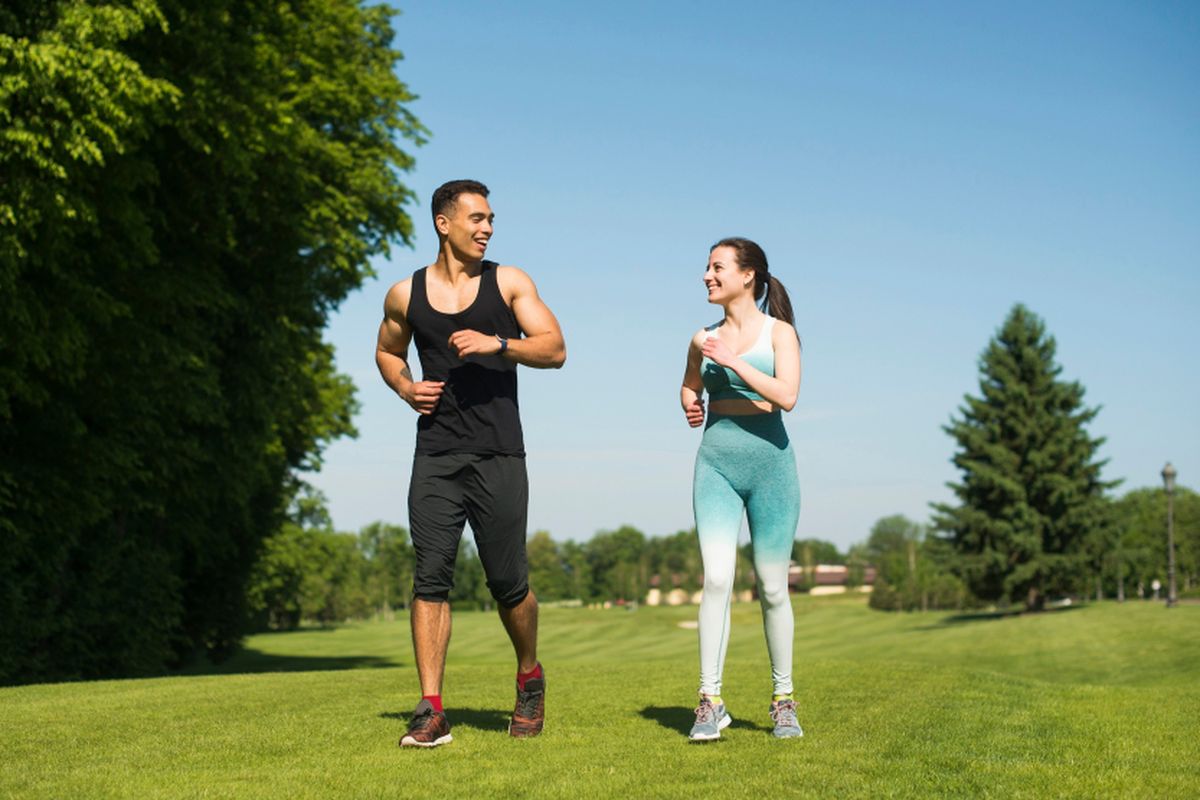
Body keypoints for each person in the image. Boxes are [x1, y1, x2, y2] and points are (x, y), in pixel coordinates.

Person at [376, 179, 566, 748]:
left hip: (499, 452)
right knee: (430, 578)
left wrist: (498, 345)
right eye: (476, 218)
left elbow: (554, 348)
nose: (486, 228)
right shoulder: (404, 294)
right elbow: (387, 351)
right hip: (435, 453)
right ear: (443, 223)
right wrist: (407, 388)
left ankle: (529, 676)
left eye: (490, 220)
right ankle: (431, 708)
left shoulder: (508, 282)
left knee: (508, 583)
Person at [679, 237, 803, 741]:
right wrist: (689, 402)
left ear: (748, 275)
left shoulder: (780, 333)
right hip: (716, 469)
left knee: (773, 588)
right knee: (716, 581)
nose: (707, 275)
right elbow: (689, 383)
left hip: (772, 471)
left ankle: (783, 700)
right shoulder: (700, 337)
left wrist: (733, 362)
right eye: (706, 267)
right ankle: (709, 701)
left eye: (717, 267)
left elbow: (787, 397)